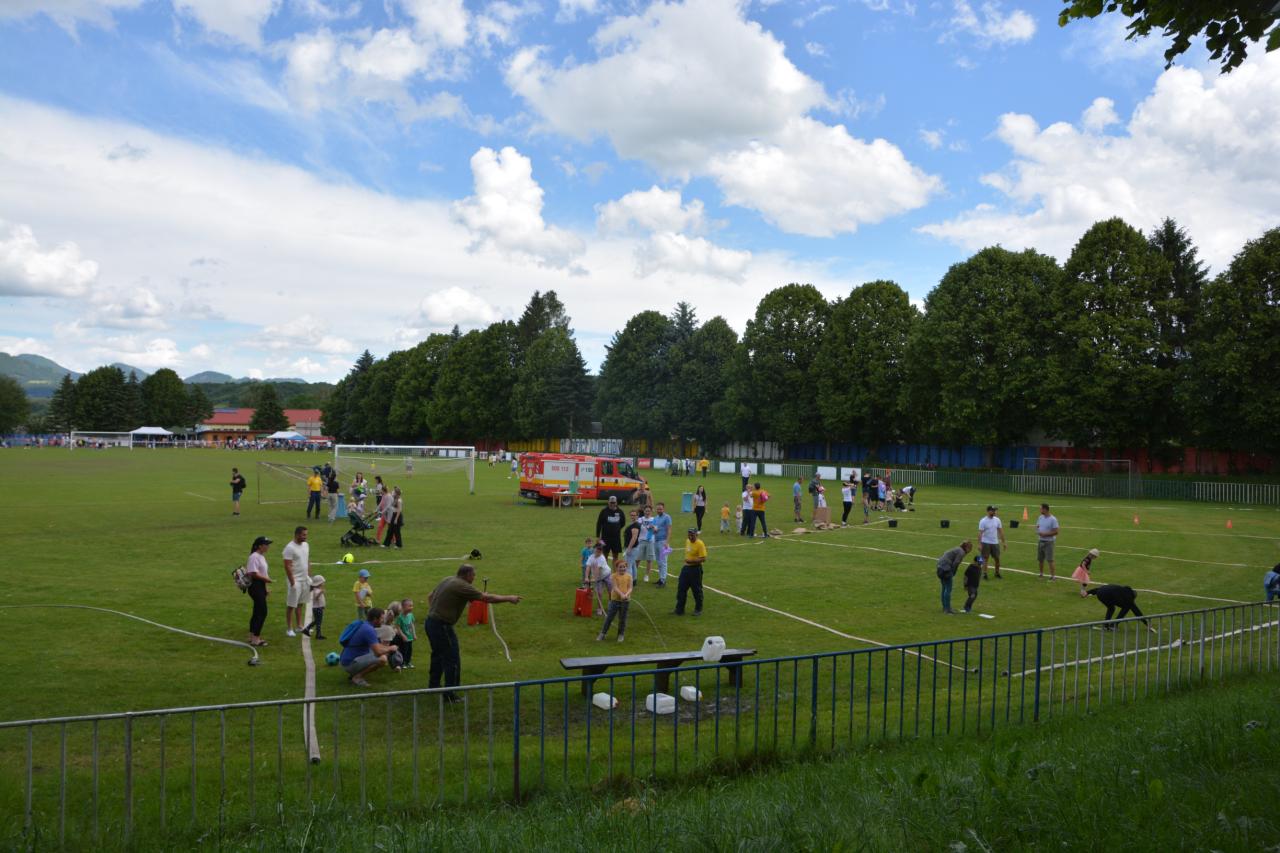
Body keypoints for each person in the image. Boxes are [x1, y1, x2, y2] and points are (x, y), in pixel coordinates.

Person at [425, 564, 521, 701]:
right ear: (467, 575)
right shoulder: (462, 585)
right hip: (442, 626)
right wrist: (509, 598)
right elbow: (487, 599)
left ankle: (433, 686)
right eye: (473, 575)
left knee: (438, 654)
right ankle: (450, 694)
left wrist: (435, 611)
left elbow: (430, 596)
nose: (474, 577)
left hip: (431, 622)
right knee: (452, 658)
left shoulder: (448, 579)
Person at [338, 607, 398, 687]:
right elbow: (378, 652)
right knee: (383, 659)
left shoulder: (364, 625)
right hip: (350, 663)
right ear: (375, 619)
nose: (383, 621)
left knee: (381, 653)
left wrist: (387, 648)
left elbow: (377, 645)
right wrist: (390, 648)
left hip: (346, 659)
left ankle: (355, 673)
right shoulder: (369, 630)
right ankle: (357, 677)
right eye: (381, 618)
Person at [281, 526, 311, 637]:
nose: (305, 537)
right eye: (303, 535)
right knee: (291, 605)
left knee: (300, 604)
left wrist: (309, 576)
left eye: (306, 534)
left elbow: (307, 560)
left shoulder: (306, 545)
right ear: (297, 534)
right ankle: (289, 628)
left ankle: (299, 626)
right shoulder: (289, 548)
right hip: (295, 580)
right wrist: (292, 582)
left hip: (304, 579)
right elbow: (287, 566)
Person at [1087, 584, 1154, 631]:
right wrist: (1146, 623)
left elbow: (1099, 589)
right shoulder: (1129, 598)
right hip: (1106, 595)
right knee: (1126, 608)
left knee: (1111, 608)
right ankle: (1113, 625)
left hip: (1100, 593)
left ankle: (1107, 625)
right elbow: (1137, 611)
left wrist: (1088, 592)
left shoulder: (1122, 589)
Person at [673, 528, 708, 616]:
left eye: (692, 535)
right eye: (689, 535)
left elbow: (703, 558)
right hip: (686, 568)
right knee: (681, 588)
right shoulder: (687, 541)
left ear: (696, 535)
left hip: (695, 569)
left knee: (696, 590)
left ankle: (698, 609)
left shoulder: (700, 544)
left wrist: (691, 561)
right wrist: (688, 562)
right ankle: (679, 610)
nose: (690, 536)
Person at [245, 535, 273, 646]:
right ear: (260, 546)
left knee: (257, 611)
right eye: (266, 544)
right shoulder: (254, 557)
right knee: (262, 612)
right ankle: (256, 638)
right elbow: (253, 573)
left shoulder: (261, 556)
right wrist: (266, 580)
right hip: (255, 586)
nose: (268, 546)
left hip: (260, 586)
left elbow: (262, 573)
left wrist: (265, 589)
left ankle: (252, 635)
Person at [598, 557, 632, 643]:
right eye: (620, 567)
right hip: (615, 600)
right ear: (616, 568)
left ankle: (621, 634)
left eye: (624, 567)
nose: (622, 568)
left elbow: (630, 588)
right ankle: (603, 633)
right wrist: (621, 594)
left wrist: (626, 595)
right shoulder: (613, 576)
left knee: (622, 618)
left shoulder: (629, 576)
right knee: (609, 617)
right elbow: (615, 587)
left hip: (625, 601)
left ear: (626, 567)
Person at [935, 540, 971, 615]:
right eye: (970, 548)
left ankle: (945, 607)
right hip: (945, 569)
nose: (970, 550)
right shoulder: (961, 552)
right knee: (948, 589)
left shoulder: (957, 549)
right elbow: (956, 563)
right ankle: (947, 610)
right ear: (966, 547)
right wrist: (952, 572)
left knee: (944, 588)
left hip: (939, 566)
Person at [977, 505, 1006, 579]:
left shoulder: (997, 520)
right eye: (993, 510)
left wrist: (1004, 542)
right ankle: (984, 574)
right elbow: (980, 533)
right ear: (988, 511)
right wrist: (979, 544)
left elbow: (1001, 531)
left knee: (997, 559)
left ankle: (997, 573)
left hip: (995, 542)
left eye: (995, 510)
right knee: (985, 558)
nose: (994, 512)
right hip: (985, 542)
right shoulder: (983, 521)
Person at [595, 496, 627, 561]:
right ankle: (604, 568)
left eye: (614, 502)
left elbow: (623, 522)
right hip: (605, 537)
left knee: (615, 556)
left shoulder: (620, 511)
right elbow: (599, 523)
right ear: (608, 502)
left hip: (616, 537)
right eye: (611, 502)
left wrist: (617, 528)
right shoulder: (604, 511)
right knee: (605, 555)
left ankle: (615, 568)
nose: (612, 504)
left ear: (616, 503)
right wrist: (598, 536)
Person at [585, 541, 612, 616]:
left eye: (600, 550)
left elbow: (598, 569)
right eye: (597, 549)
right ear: (594, 549)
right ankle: (599, 608)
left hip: (607, 575)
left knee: (610, 590)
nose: (598, 551)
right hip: (598, 578)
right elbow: (588, 567)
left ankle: (611, 604)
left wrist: (594, 578)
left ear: (602, 551)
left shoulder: (602, 558)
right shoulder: (591, 557)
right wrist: (586, 577)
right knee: (599, 593)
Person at [378, 602, 406, 671]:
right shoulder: (390, 618)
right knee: (396, 644)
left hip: (379, 637)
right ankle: (397, 663)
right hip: (383, 639)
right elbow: (388, 630)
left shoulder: (384, 612)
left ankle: (396, 662)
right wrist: (395, 631)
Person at [652, 501, 674, 587]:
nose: (659, 510)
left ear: (664, 509)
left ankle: (663, 580)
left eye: (660, 509)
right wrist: (653, 530)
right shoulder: (655, 518)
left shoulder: (667, 517)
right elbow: (654, 530)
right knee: (658, 561)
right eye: (658, 509)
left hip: (663, 542)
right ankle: (661, 578)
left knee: (663, 561)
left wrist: (666, 542)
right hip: (656, 541)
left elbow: (669, 530)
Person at [1036, 503, 1060, 580]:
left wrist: (1045, 534)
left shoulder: (1053, 519)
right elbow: (1038, 526)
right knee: (1040, 559)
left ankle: (1053, 576)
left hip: (1049, 542)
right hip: (1040, 541)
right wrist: (1038, 530)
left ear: (1045, 509)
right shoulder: (1040, 517)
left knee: (1050, 560)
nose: (1040, 510)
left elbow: (1056, 531)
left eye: (1041, 509)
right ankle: (1041, 574)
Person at [637, 505, 658, 583]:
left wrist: (654, 528)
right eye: (646, 511)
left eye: (649, 511)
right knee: (637, 559)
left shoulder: (654, 520)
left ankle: (647, 575)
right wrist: (646, 526)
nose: (647, 512)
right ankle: (634, 573)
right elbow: (637, 528)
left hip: (650, 541)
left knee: (649, 559)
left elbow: (656, 531)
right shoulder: (640, 519)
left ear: (651, 511)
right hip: (641, 541)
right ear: (644, 511)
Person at [301, 574, 326, 639]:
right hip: (317, 608)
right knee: (318, 622)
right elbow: (316, 597)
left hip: (319, 608)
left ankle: (309, 630)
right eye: (322, 582)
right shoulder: (316, 590)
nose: (323, 584)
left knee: (317, 621)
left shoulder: (317, 589)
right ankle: (317, 634)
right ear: (319, 583)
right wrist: (321, 592)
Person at [393, 599, 416, 668]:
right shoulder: (400, 617)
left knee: (409, 650)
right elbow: (398, 627)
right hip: (403, 638)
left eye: (412, 606)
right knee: (403, 650)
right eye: (409, 606)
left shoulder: (411, 615)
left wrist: (414, 634)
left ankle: (408, 662)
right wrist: (403, 636)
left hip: (410, 637)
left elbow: (412, 625)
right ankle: (402, 663)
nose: (411, 607)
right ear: (403, 607)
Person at [623, 509, 641, 580]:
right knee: (633, 565)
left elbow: (634, 537)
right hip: (633, 548)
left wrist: (629, 548)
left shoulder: (635, 525)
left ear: (637, 516)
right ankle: (634, 580)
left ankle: (629, 582)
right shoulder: (633, 524)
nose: (633, 517)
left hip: (632, 548)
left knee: (628, 566)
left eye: (634, 515)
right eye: (631, 515)